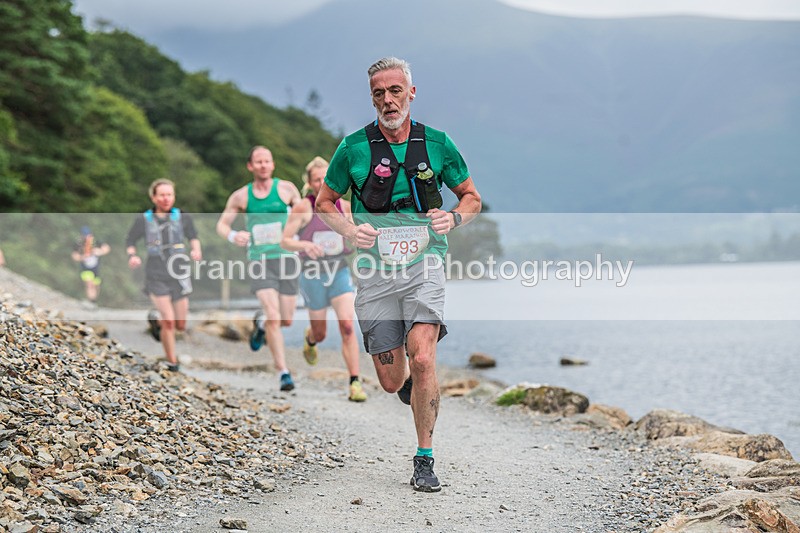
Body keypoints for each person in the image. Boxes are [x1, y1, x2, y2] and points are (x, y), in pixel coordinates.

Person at [316, 57, 482, 492]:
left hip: (424, 263)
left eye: (395, 91)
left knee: (424, 356)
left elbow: (470, 198)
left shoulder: (438, 143)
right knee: (391, 382)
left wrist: (454, 219)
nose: (387, 100)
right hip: (373, 271)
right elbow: (324, 202)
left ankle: (424, 458)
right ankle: (407, 384)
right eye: (378, 93)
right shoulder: (353, 147)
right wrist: (352, 229)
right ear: (371, 98)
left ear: (411, 92)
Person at [280, 156, 367, 402]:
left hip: (338, 270)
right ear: (309, 183)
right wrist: (305, 244)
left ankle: (355, 382)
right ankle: (311, 339)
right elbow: (285, 241)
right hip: (311, 275)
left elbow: (355, 234)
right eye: (316, 179)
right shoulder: (303, 208)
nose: (321, 183)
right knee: (321, 334)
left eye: (325, 178)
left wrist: (353, 237)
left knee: (348, 326)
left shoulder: (346, 207)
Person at [216, 146, 302, 392]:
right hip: (260, 259)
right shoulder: (241, 196)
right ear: (250, 166)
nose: (263, 165)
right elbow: (222, 224)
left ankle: (261, 324)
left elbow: (304, 212)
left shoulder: (286, 189)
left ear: (272, 165)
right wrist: (234, 235)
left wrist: (299, 229)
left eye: (267, 161)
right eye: (258, 162)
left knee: (285, 319)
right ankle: (283, 372)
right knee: (275, 315)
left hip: (287, 258)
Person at [126, 178, 202, 372]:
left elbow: (193, 237)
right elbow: (130, 241)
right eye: (162, 195)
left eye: (169, 194)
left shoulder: (183, 217)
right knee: (169, 320)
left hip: (179, 273)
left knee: (180, 325)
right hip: (155, 273)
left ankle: (155, 321)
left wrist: (195, 251)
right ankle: (172, 361)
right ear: (153, 197)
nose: (166, 198)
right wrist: (133, 255)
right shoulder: (143, 219)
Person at [70, 226, 111, 305]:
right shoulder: (78, 244)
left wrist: (100, 252)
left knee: (96, 285)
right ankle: (91, 301)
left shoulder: (95, 242)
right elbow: (74, 256)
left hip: (95, 268)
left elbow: (107, 248)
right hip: (85, 268)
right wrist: (83, 257)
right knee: (89, 284)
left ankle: (94, 300)